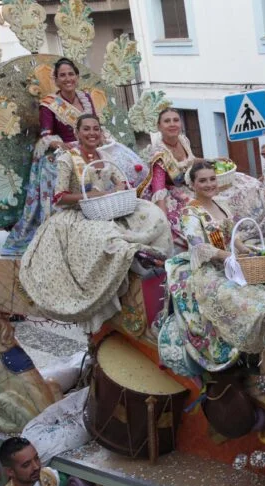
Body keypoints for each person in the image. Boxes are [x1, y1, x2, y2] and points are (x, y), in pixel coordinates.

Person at [19, 114, 173, 332]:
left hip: (110, 207)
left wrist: (119, 187)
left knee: (154, 214)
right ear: (77, 133)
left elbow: (119, 181)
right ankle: (112, 286)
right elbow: (59, 198)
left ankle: (152, 260)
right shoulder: (67, 159)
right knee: (108, 241)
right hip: (79, 215)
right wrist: (88, 196)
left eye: (96, 129)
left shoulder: (104, 155)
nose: (92, 133)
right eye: (87, 129)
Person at [158, 160, 265, 376]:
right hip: (210, 267)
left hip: (233, 260)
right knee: (245, 302)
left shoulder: (221, 204)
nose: (209, 184)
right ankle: (250, 352)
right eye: (202, 180)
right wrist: (228, 257)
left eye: (212, 179)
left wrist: (244, 251)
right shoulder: (190, 213)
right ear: (193, 184)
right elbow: (198, 247)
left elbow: (232, 236)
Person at [3, 57, 101, 255]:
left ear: (77, 76)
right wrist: (64, 145)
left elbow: (94, 124)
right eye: (62, 75)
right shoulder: (48, 105)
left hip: (89, 142)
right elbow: (46, 136)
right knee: (55, 169)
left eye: (71, 74)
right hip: (65, 148)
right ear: (56, 80)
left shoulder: (86, 98)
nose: (67, 79)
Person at [143, 108, 198, 251]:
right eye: (167, 121)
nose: (172, 124)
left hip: (191, 183)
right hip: (171, 192)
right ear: (159, 127)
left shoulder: (183, 140)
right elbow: (158, 187)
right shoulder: (159, 153)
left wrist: (213, 160)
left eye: (176, 120)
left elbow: (191, 162)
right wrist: (163, 218)